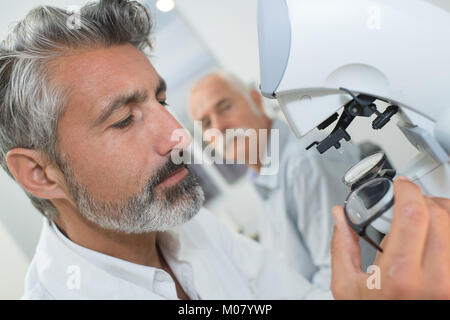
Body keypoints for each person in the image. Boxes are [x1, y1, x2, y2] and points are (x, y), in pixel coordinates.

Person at [0, 0, 448, 300]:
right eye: (122, 120)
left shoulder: (191, 231)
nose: (179, 136)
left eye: (160, 101)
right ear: (39, 174)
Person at [188, 71, 361, 289]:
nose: (218, 127)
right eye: (205, 123)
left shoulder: (305, 162)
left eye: (224, 107)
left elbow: (345, 274)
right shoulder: (262, 177)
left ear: (256, 100)